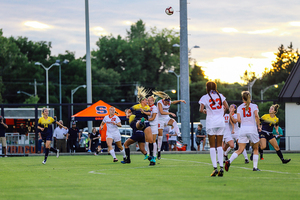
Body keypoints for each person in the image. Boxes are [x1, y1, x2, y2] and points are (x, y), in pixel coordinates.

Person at [225, 91, 261, 172]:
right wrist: (258, 126)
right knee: (255, 149)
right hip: (252, 129)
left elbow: (238, 120)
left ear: (242, 98)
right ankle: (255, 167)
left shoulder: (240, 107)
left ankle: (229, 161)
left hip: (243, 129)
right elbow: (256, 116)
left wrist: (244, 123)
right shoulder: (254, 106)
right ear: (249, 98)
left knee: (240, 149)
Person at [199, 81, 229, 177]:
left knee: (212, 146)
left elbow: (201, 109)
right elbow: (227, 107)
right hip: (221, 122)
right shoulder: (220, 95)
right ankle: (221, 167)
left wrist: (205, 111)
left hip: (211, 123)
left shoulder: (205, 97)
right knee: (220, 145)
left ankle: (215, 168)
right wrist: (221, 113)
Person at [126, 86, 156, 165]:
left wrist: (144, 112)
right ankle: (141, 122)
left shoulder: (147, 107)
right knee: (139, 123)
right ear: (142, 101)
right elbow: (128, 111)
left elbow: (149, 114)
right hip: (138, 121)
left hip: (146, 122)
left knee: (151, 140)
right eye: (145, 100)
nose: (147, 101)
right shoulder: (137, 106)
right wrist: (128, 114)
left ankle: (152, 158)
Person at [152, 90, 186, 160]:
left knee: (174, 122)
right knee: (160, 137)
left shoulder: (169, 102)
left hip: (166, 118)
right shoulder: (159, 103)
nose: (167, 104)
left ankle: (179, 136)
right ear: (164, 100)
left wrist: (181, 100)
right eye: (166, 102)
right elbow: (161, 112)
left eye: (168, 102)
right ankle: (159, 151)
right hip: (160, 120)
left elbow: (173, 102)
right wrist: (170, 113)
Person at [144, 95, 158, 160]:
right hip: (148, 125)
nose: (149, 102)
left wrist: (145, 119)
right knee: (147, 139)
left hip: (154, 125)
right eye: (148, 101)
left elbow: (153, 118)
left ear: (153, 101)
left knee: (153, 140)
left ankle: (154, 155)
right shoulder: (146, 107)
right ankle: (148, 153)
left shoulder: (154, 108)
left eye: (151, 101)